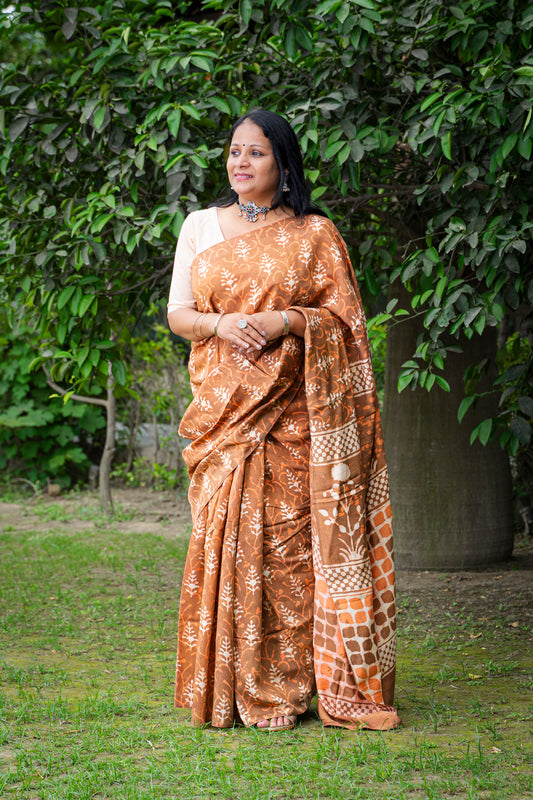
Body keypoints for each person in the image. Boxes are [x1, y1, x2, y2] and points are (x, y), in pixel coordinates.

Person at [167, 109, 400, 732]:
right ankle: (229, 684)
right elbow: (179, 314)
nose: (240, 162)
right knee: (224, 540)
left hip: (298, 413)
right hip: (225, 413)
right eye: (234, 151)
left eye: (256, 153)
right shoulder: (199, 226)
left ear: (283, 163)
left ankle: (294, 685)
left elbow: (345, 320)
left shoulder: (314, 233)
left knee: (292, 549)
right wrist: (222, 324)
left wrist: (287, 320)